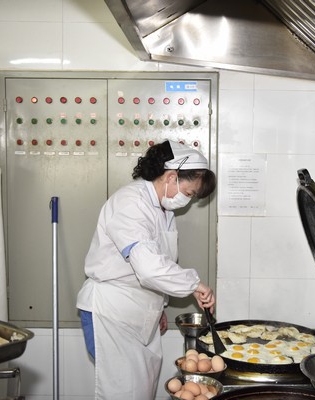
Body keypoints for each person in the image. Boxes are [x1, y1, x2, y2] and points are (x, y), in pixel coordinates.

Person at [76, 140, 217, 399]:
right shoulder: (130, 203)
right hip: (112, 311)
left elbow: (161, 262)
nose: (188, 200)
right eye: (189, 193)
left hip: (139, 312)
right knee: (122, 393)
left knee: (141, 390)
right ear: (171, 177)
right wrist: (194, 284)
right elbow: (149, 268)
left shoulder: (163, 209)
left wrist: (159, 305)